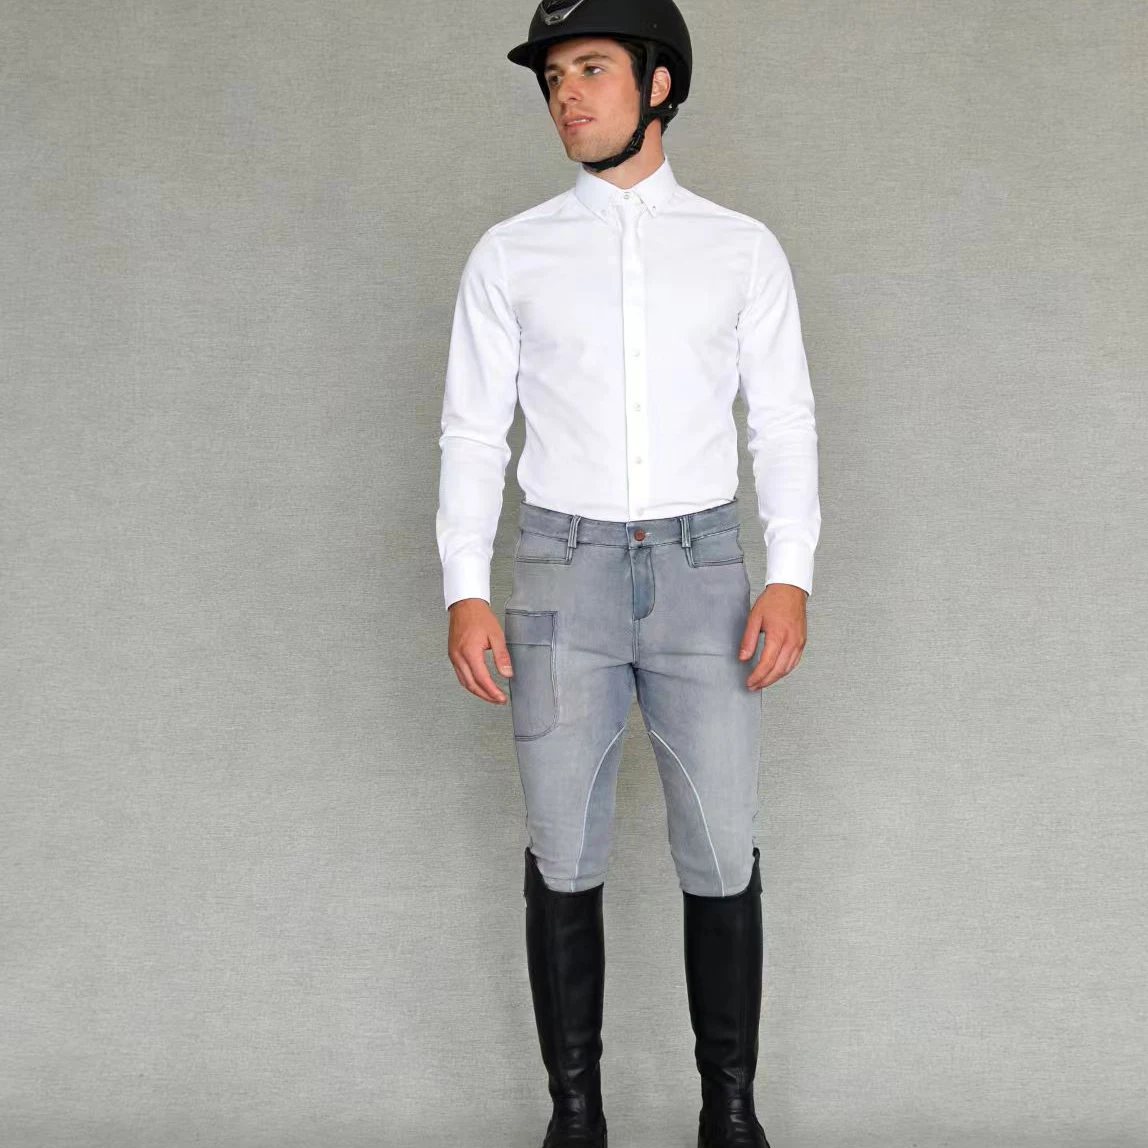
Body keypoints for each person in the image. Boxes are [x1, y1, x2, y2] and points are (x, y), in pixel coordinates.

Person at [435, 2, 820, 1145]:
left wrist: (790, 570)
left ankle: (729, 1114)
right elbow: (472, 431)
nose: (566, 93)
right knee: (562, 849)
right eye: (553, 74)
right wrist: (464, 584)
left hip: (706, 571)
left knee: (721, 844)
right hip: (560, 576)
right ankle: (575, 1116)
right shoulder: (509, 253)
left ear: (657, 84)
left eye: (591, 68)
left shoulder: (740, 249)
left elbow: (782, 422)